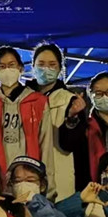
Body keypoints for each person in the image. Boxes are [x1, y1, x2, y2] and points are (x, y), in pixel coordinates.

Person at [0, 46, 54, 198]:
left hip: (29, 179)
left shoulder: (38, 102)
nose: (7, 70)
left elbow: (46, 146)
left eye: (12, 65)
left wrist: (49, 189)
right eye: (2, 67)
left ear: (21, 68)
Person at [23, 43, 79, 202]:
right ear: (33, 67)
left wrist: (72, 118)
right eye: (41, 64)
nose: (46, 69)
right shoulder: (22, 98)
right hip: (26, 170)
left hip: (60, 173)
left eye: (52, 64)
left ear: (60, 68)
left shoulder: (70, 100)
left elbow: (71, 145)